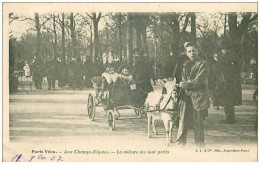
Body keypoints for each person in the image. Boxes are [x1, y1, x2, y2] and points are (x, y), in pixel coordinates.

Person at [177, 42, 210, 147]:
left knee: (198, 123)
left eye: (194, 51)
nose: (192, 53)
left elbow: (199, 81)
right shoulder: (185, 64)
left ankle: (200, 145)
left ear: (198, 51)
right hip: (186, 97)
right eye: (189, 51)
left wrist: (184, 84)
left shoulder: (203, 64)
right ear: (186, 53)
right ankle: (180, 144)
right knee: (182, 121)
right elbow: (183, 79)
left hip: (198, 97)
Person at [214, 42, 242, 124]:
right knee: (230, 100)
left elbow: (217, 68)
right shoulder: (235, 55)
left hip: (226, 81)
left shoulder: (226, 56)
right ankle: (230, 118)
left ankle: (229, 119)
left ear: (224, 49)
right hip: (233, 81)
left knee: (227, 100)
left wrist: (216, 60)